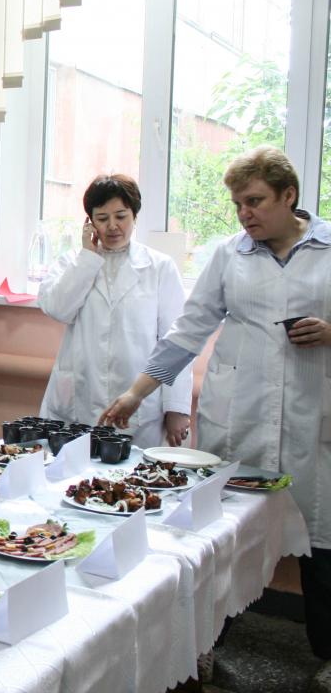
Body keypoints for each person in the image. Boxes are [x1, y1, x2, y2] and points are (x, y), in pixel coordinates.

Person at [100, 146, 331, 658]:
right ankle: (202, 649)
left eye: (255, 202)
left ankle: (327, 657)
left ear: (288, 196)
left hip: (313, 416)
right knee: (222, 542)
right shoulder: (229, 254)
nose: (244, 214)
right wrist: (137, 394)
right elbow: (189, 330)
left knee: (323, 548)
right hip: (241, 416)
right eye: (237, 205)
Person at [39, 174, 192, 447]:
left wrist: (176, 408)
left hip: (140, 405)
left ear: (134, 216)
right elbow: (58, 309)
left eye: (121, 216)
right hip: (79, 401)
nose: (112, 226)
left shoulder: (159, 267)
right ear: (89, 222)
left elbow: (177, 341)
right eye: (102, 218)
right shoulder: (72, 263)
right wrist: (88, 259)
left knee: (135, 484)